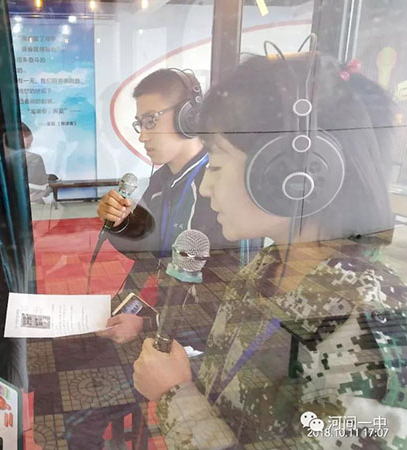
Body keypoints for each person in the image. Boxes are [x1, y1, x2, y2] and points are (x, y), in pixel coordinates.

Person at [132, 52, 407, 449]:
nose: (206, 188)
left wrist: (175, 396)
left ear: (286, 174)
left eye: (217, 165)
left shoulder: (367, 329)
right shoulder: (265, 269)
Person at [97, 68, 234, 344]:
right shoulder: (161, 181)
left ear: (190, 117)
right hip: (167, 318)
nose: (143, 136)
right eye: (140, 124)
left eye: (151, 121)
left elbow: (224, 299)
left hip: (202, 340)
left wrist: (148, 325)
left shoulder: (220, 189)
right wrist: (121, 223)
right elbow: (148, 253)